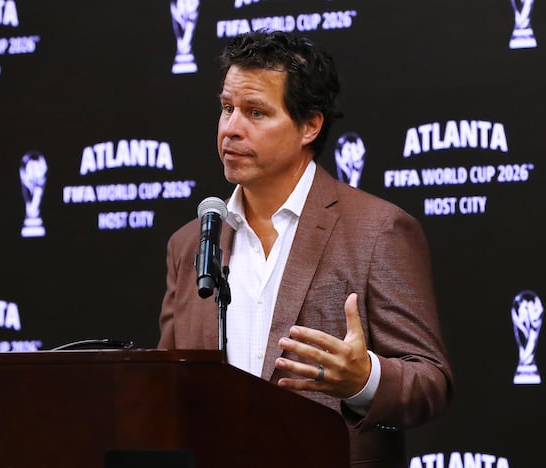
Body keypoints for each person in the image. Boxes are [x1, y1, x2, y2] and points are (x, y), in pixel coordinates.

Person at [158, 29, 454, 467]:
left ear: (310, 125)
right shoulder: (192, 242)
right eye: (227, 108)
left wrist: (364, 379)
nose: (231, 128)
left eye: (255, 112)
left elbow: (431, 382)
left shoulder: (378, 230)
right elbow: (167, 387)